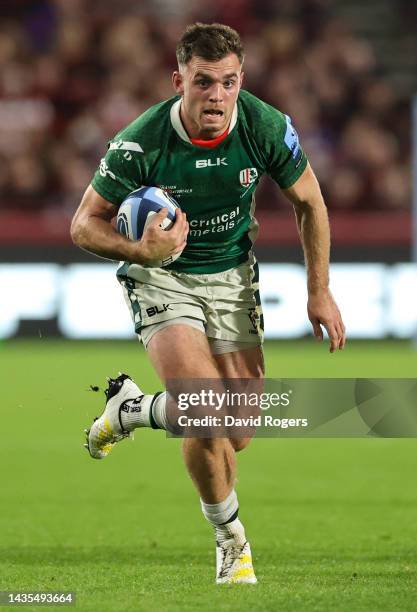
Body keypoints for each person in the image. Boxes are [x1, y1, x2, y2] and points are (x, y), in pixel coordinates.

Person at [70, 22, 346, 585]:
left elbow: (311, 203)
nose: (216, 95)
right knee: (202, 410)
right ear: (179, 81)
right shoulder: (140, 141)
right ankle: (232, 541)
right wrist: (138, 249)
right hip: (162, 277)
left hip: (232, 277)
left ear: (240, 81)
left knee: (238, 430)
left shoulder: (265, 126)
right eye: (203, 82)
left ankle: (130, 410)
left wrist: (319, 288)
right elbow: (82, 225)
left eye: (227, 82)